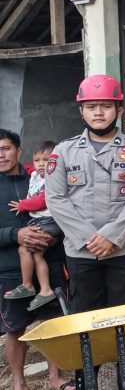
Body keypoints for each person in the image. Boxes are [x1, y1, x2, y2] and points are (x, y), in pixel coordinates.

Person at [47, 74, 125, 312]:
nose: (98, 112)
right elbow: (55, 199)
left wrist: (113, 237)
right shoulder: (63, 151)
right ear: (81, 111)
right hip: (81, 252)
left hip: (124, 251)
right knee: (87, 320)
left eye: (106, 106)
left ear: (120, 110)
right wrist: (89, 238)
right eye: (91, 107)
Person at [1, 131, 66, 390]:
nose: (1, 154)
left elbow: (63, 208)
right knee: (14, 328)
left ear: (19, 150)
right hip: (8, 266)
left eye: (6, 148)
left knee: (51, 322)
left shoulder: (41, 176)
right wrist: (16, 234)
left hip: (49, 260)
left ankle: (55, 378)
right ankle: (19, 384)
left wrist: (54, 236)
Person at [5, 141, 60, 312]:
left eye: (46, 160)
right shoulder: (35, 173)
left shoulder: (55, 176)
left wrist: (23, 205)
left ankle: (37, 287)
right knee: (31, 252)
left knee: (30, 250)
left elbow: (44, 199)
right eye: (37, 160)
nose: (41, 164)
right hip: (39, 221)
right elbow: (28, 168)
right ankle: (37, 287)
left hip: (49, 221)